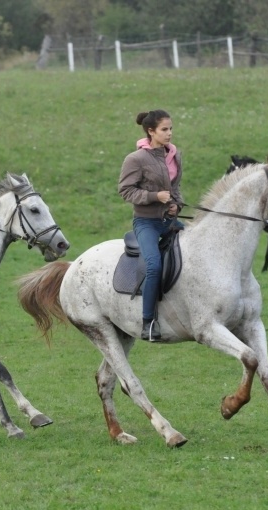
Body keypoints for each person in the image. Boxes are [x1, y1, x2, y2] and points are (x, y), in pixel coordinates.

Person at [118, 110, 184, 342]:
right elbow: (126, 191)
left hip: (169, 222)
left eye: (171, 129)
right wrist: (155, 197)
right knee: (154, 265)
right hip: (146, 223)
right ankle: (148, 322)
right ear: (151, 131)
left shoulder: (174, 154)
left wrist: (176, 205)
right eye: (164, 129)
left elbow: (175, 189)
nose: (169, 133)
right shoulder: (136, 159)